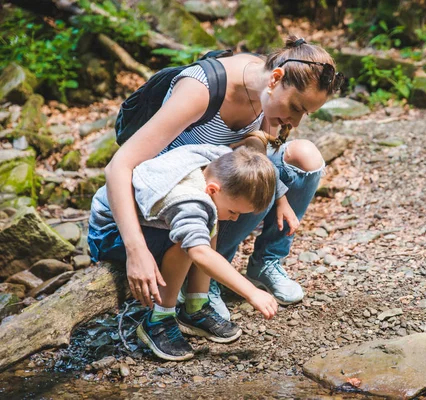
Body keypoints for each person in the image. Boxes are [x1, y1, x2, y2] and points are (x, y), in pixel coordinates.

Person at [104, 35, 344, 320]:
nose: (296, 121)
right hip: (178, 200)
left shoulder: (264, 87)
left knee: (303, 156)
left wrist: (279, 197)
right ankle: (209, 276)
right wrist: (136, 251)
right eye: (296, 107)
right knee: (258, 185)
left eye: (306, 113)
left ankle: (263, 263)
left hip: (218, 183)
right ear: (276, 78)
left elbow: (258, 152)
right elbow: (118, 167)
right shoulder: (201, 90)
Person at [88, 140, 280, 360]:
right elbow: (199, 253)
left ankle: (195, 306)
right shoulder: (189, 201)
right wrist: (251, 292)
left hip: (147, 221)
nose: (235, 218)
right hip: (110, 233)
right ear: (212, 188)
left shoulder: (216, 160)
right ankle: (159, 319)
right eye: (234, 211)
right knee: (188, 243)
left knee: (211, 216)